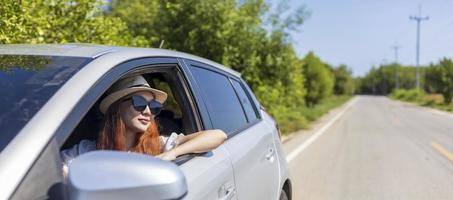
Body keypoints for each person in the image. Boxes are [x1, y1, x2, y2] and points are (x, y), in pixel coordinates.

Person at [60, 75, 227, 176]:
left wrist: (170, 154)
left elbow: (218, 135)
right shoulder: (87, 151)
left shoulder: (160, 145)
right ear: (116, 107)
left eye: (154, 107)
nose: (148, 111)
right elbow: (49, 171)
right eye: (139, 103)